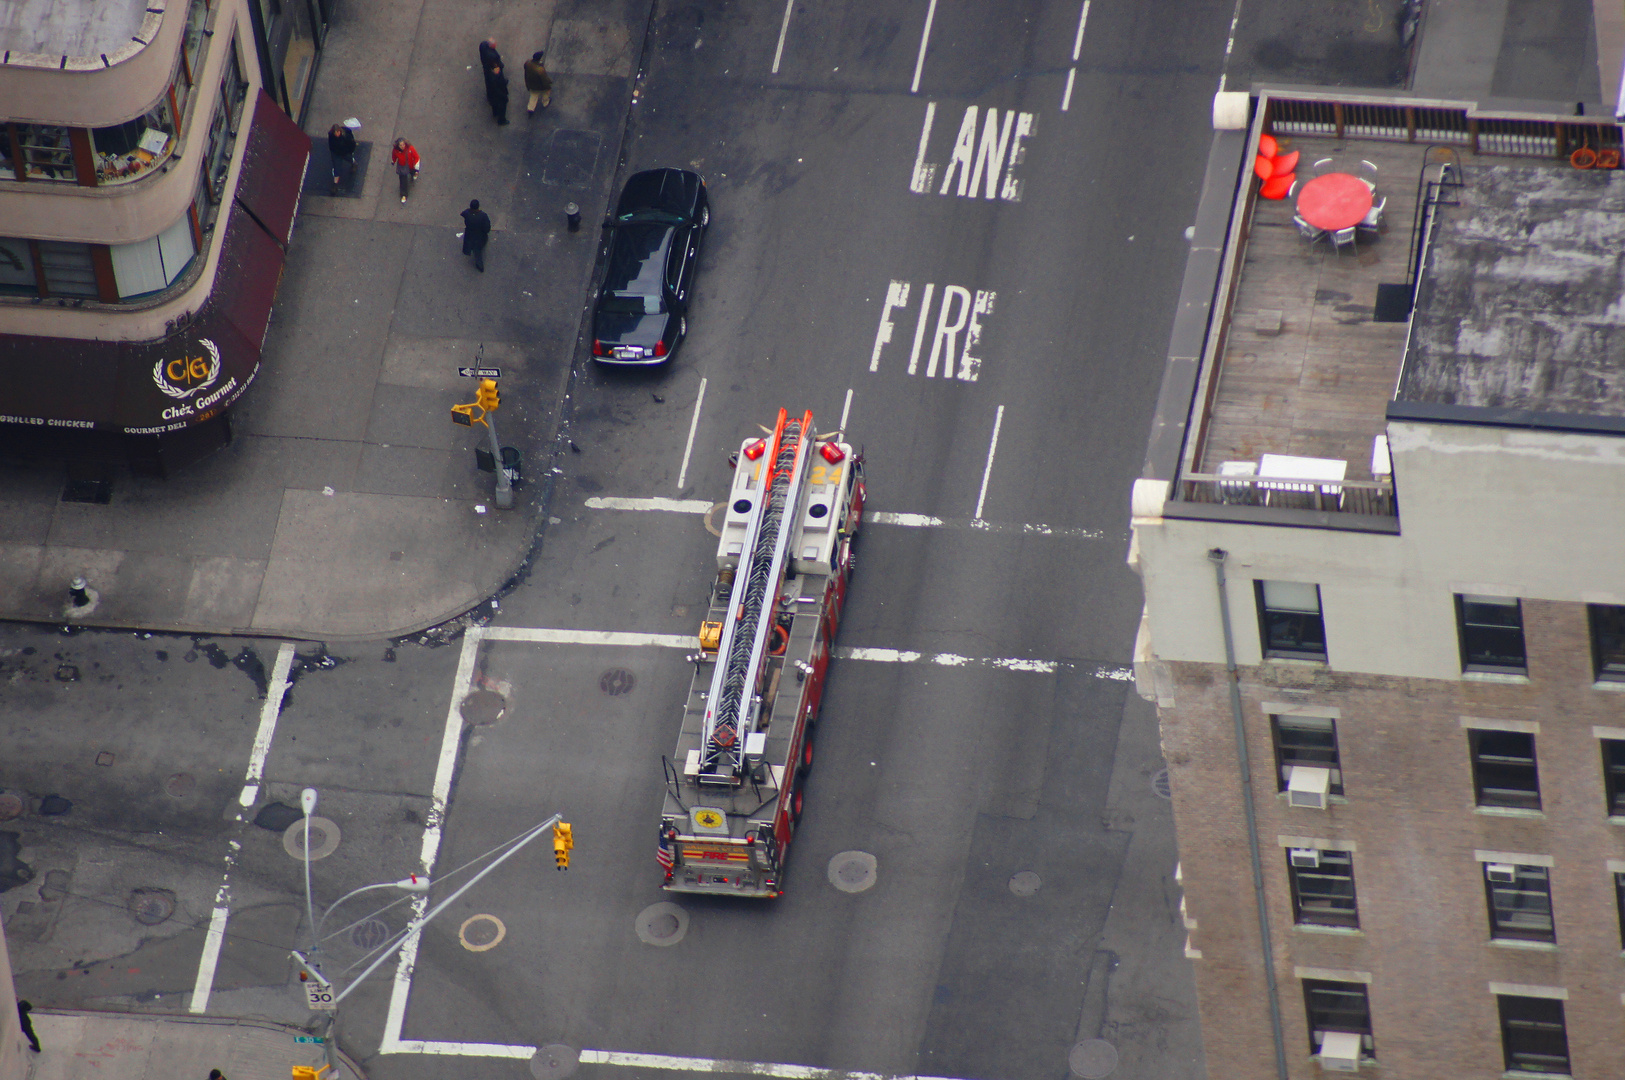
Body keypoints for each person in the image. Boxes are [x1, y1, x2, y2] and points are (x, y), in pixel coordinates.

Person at [460, 199, 491, 272]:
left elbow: (463, 213)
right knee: (477, 251)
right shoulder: (483, 216)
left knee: (471, 246)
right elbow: (487, 229)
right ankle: (479, 266)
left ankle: (469, 252)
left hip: (469, 235)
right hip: (479, 237)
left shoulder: (467, 213)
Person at [327, 123, 356, 195]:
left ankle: (354, 164)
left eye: (338, 132)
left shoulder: (345, 136)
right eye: (336, 132)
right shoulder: (331, 136)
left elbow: (351, 144)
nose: (337, 134)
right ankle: (335, 185)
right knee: (337, 168)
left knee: (349, 159)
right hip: (336, 154)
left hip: (344, 152)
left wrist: (350, 151)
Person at [390, 138, 420, 203]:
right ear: (398, 146)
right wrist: (393, 161)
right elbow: (394, 156)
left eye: (403, 144)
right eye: (401, 145)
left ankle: (414, 173)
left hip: (410, 165)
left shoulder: (410, 148)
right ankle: (404, 195)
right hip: (402, 167)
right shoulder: (396, 150)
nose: (403, 146)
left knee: (412, 171)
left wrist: (417, 167)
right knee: (403, 181)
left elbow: (416, 157)